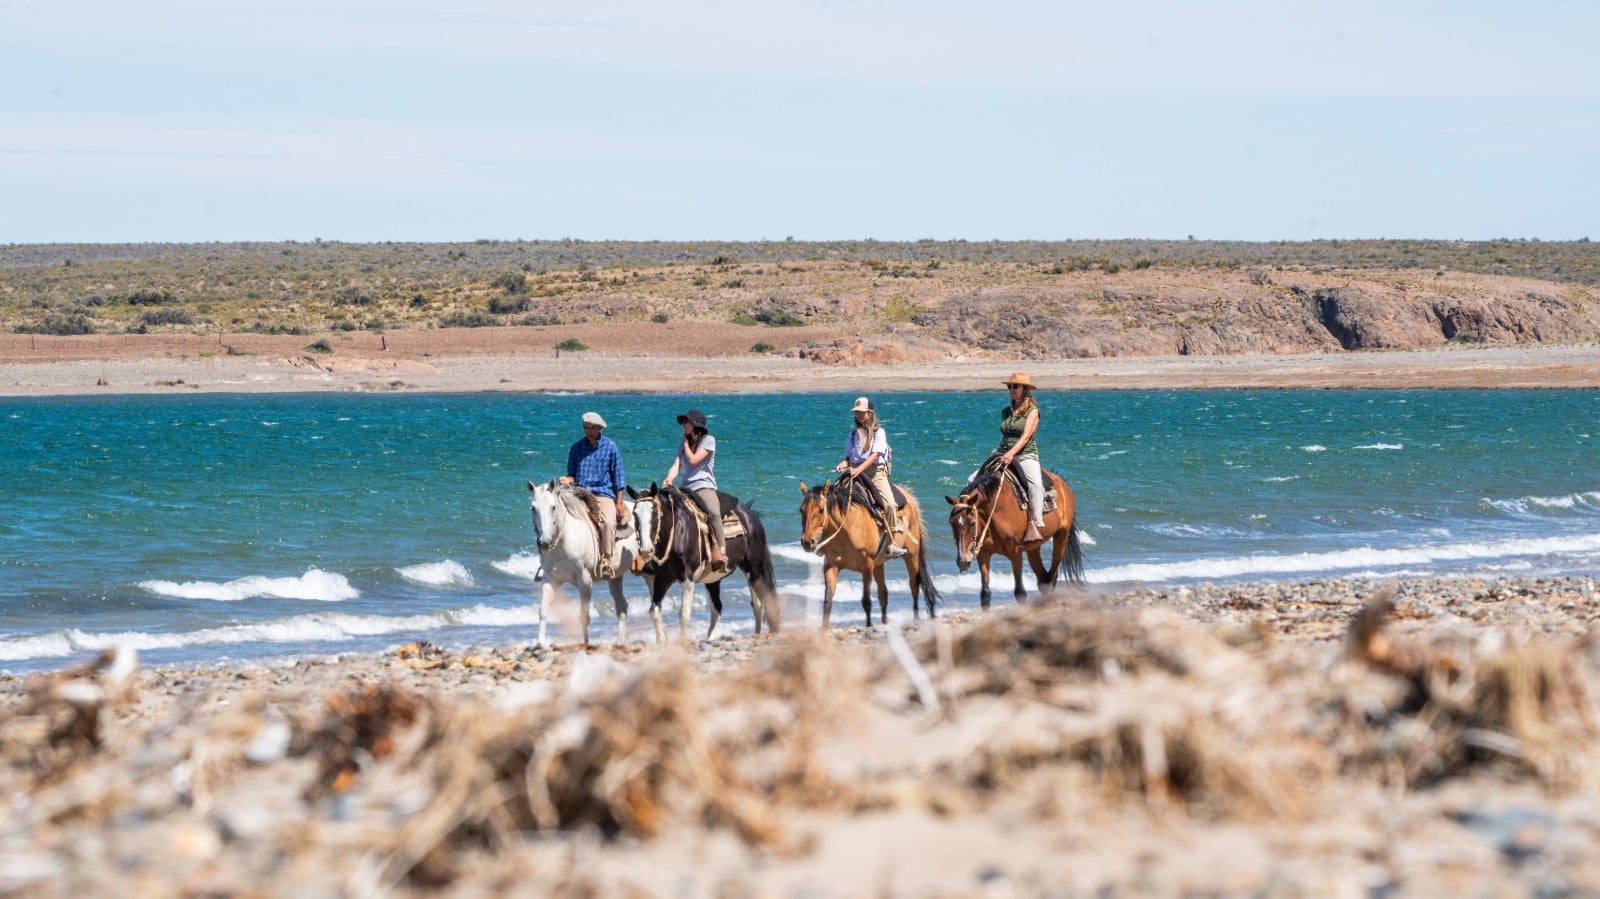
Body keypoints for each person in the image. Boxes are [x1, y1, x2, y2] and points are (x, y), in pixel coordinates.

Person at [834, 396, 907, 558]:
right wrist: (842, 465)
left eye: (862, 412)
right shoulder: (853, 435)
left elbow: (874, 456)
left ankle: (892, 543)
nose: (859, 415)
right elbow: (849, 458)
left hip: (875, 473)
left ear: (869, 413)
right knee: (833, 499)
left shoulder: (879, 433)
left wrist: (859, 469)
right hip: (854, 473)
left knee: (888, 505)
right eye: (857, 413)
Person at [560, 411, 627, 578]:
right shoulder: (576, 448)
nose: (589, 431)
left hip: (602, 493)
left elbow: (619, 478)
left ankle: (606, 560)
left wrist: (619, 503)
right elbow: (572, 474)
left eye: (592, 428)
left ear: (599, 428)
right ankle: (553, 559)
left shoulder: (610, 447)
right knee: (557, 515)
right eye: (586, 428)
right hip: (579, 492)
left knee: (609, 523)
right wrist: (567, 480)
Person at [663, 408, 727, 572]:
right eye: (683, 421)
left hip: (703, 486)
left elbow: (692, 461)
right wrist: (669, 478)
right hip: (685, 488)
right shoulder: (681, 446)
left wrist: (685, 443)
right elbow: (677, 465)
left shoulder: (709, 441)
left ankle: (721, 551)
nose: (684, 424)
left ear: (696, 425)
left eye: (687, 421)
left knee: (713, 513)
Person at [992, 372, 1047, 544]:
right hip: (1003, 452)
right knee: (973, 479)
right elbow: (1006, 435)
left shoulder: (1033, 411)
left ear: (1025, 389)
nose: (1011, 389)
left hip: (1025, 454)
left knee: (1036, 485)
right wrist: (997, 452)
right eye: (1009, 386)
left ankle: (1036, 523)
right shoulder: (1006, 411)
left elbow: (1024, 437)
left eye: (1015, 386)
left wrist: (1011, 453)